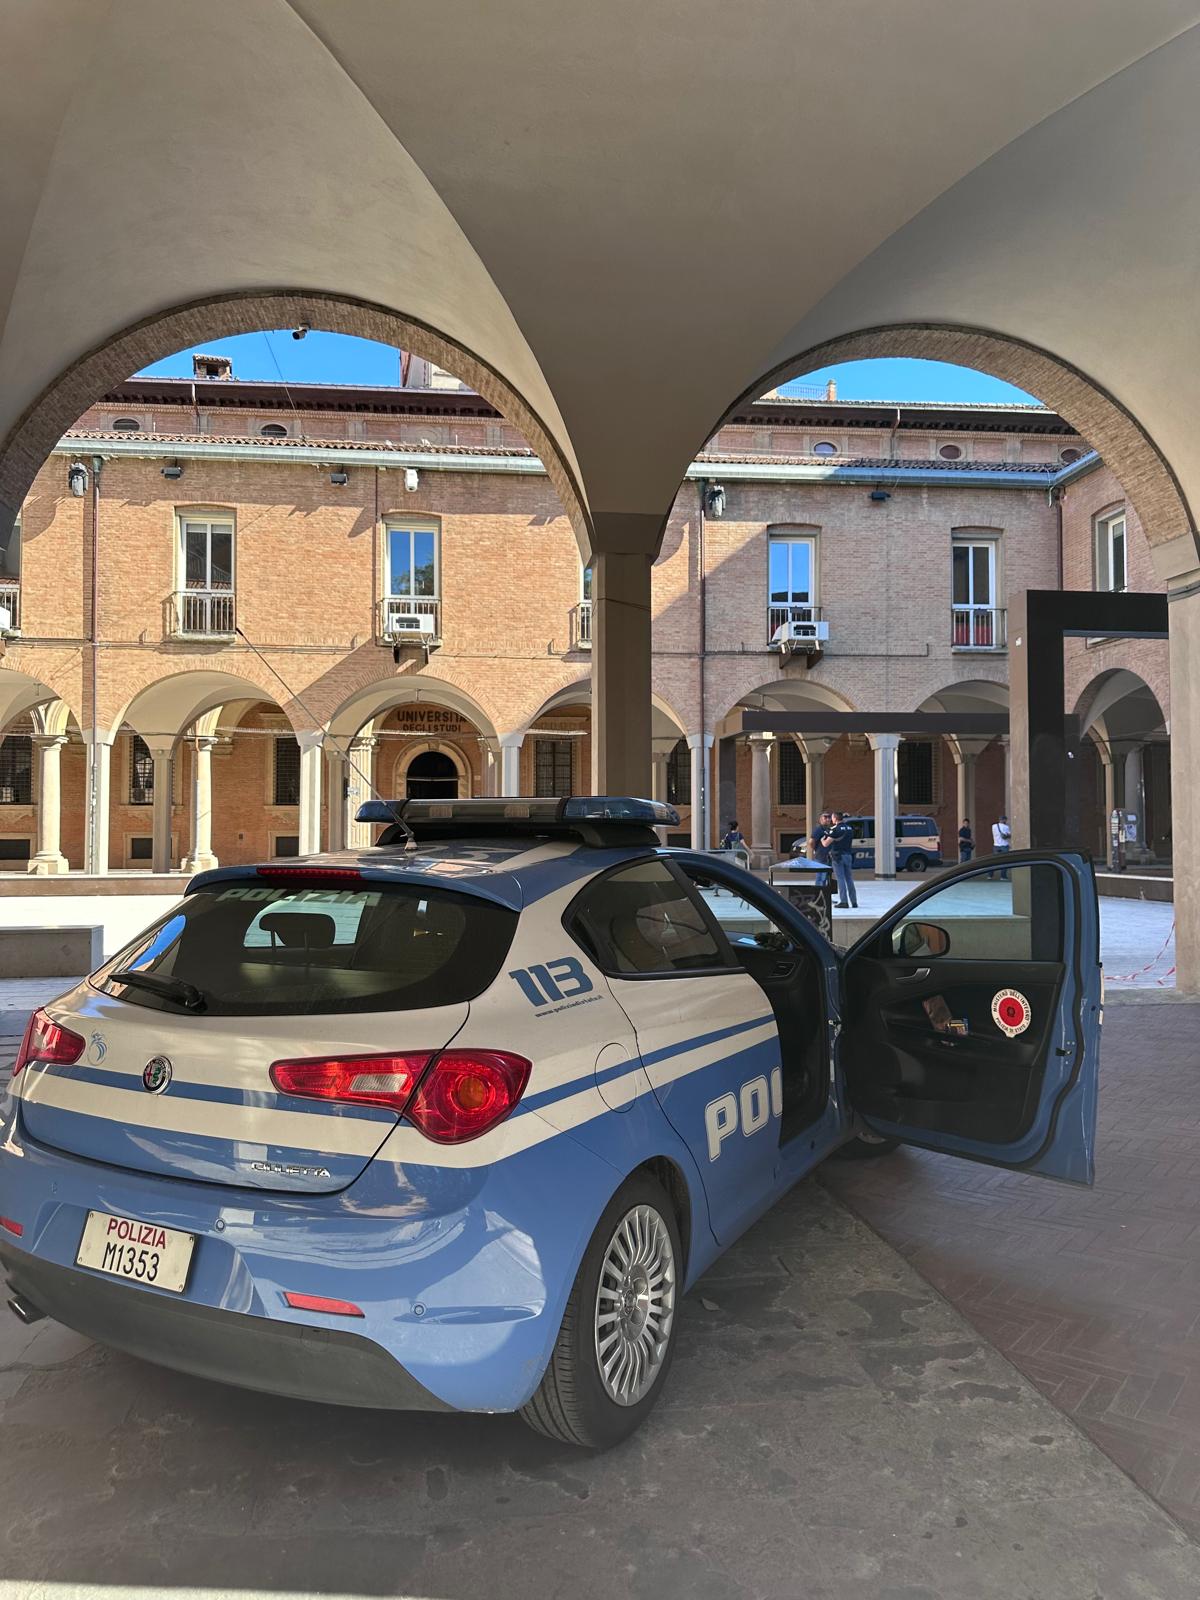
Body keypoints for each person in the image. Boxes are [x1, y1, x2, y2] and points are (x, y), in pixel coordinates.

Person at [823, 810, 858, 909]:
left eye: (832, 818)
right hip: (848, 855)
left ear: (835, 818)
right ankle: (854, 901)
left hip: (838, 857)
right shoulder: (849, 828)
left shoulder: (836, 830)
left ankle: (844, 901)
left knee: (841, 879)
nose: (831, 819)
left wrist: (822, 840)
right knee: (849, 879)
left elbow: (826, 844)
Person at [990, 813, 1011, 880]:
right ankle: (1003, 876)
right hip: (1004, 846)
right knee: (1005, 861)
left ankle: (990, 875)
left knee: (993, 861)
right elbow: (1009, 835)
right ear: (1004, 820)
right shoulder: (1006, 827)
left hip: (996, 845)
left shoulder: (993, 826)